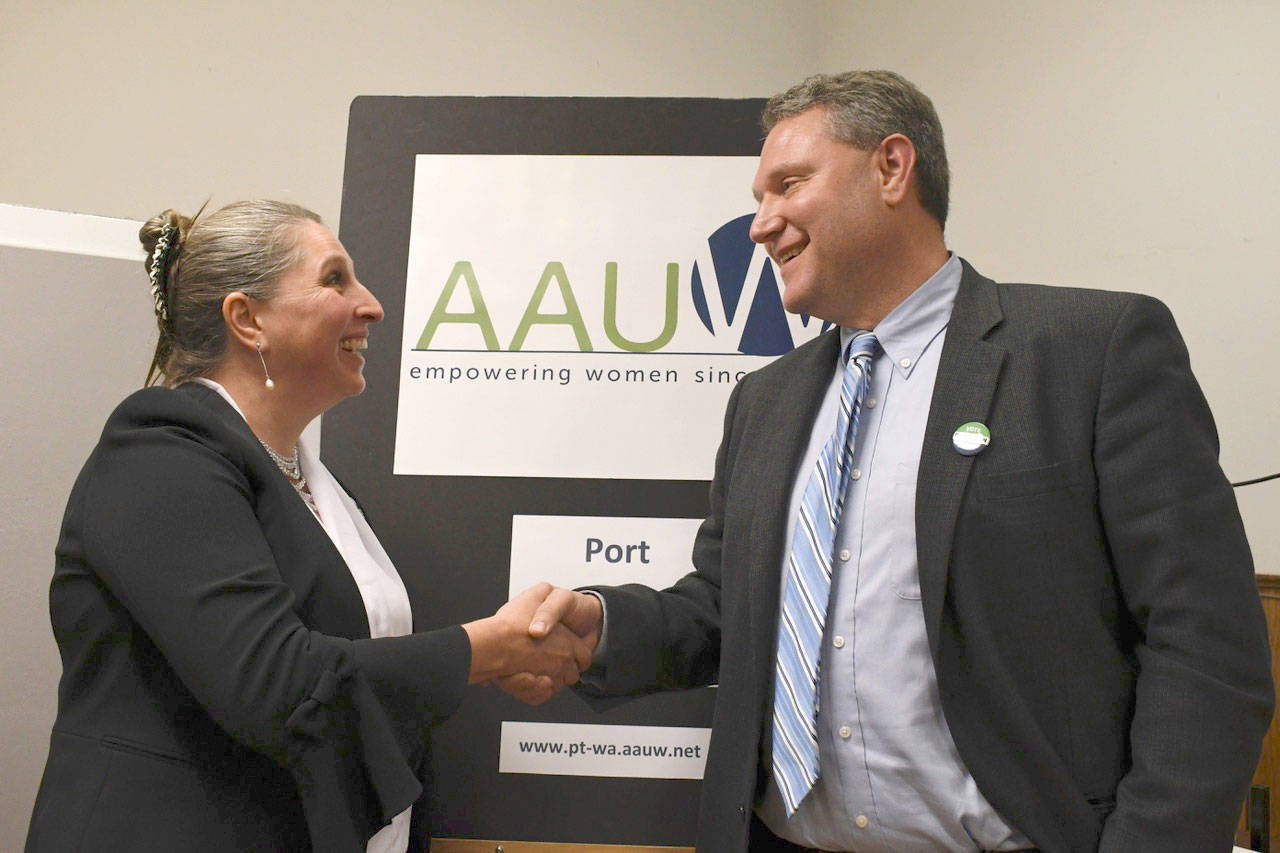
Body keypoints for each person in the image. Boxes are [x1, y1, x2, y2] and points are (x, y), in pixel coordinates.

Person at [517, 71, 1274, 852]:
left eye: (788, 185)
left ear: (891, 168)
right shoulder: (764, 401)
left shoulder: (1091, 353)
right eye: (758, 198)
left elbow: (1206, 644)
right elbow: (723, 609)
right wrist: (601, 629)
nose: (761, 224)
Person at [25, 200, 591, 853]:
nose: (372, 306)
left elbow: (343, 676)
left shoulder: (318, 487)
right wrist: (486, 651)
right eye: (335, 280)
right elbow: (276, 683)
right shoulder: (158, 453)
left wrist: (493, 658)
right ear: (248, 319)